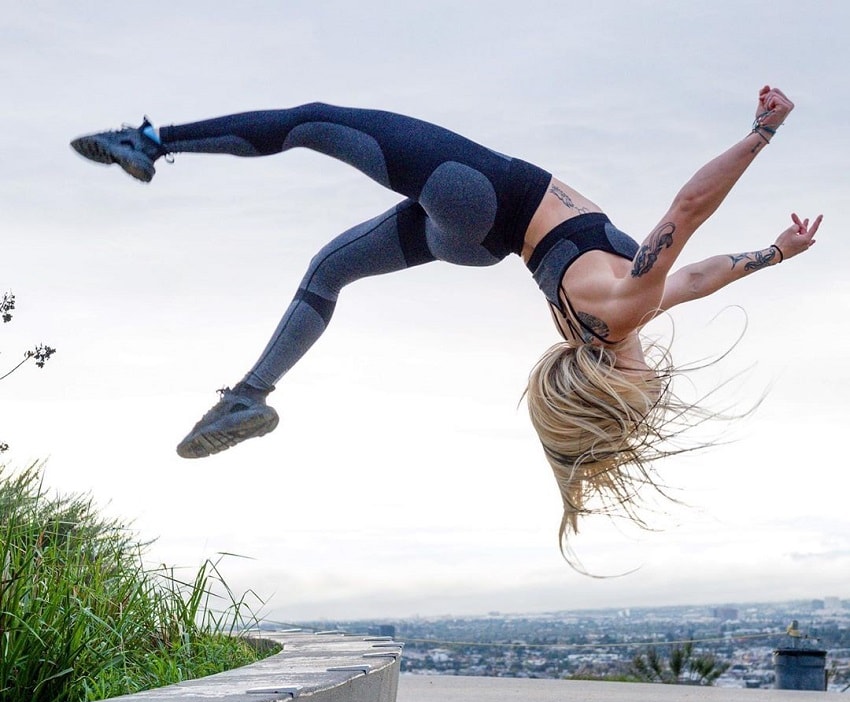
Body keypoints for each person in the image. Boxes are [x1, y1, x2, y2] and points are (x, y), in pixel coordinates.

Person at [70, 87, 821, 555]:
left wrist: (761, 132)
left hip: (481, 198)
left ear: (616, 380)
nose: (655, 371)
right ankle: (249, 395)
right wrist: (775, 253)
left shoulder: (622, 309)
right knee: (329, 272)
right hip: (479, 239)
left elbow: (686, 214)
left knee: (315, 122)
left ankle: (154, 142)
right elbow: (694, 277)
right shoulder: (597, 326)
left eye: (646, 385)